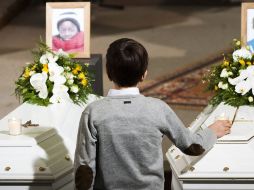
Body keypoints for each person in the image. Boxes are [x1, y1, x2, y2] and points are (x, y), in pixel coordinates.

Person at [74, 38, 232, 190]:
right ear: (144, 74)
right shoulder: (158, 109)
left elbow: (84, 170)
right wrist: (212, 131)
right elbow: (192, 146)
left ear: (108, 71)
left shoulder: (93, 112)